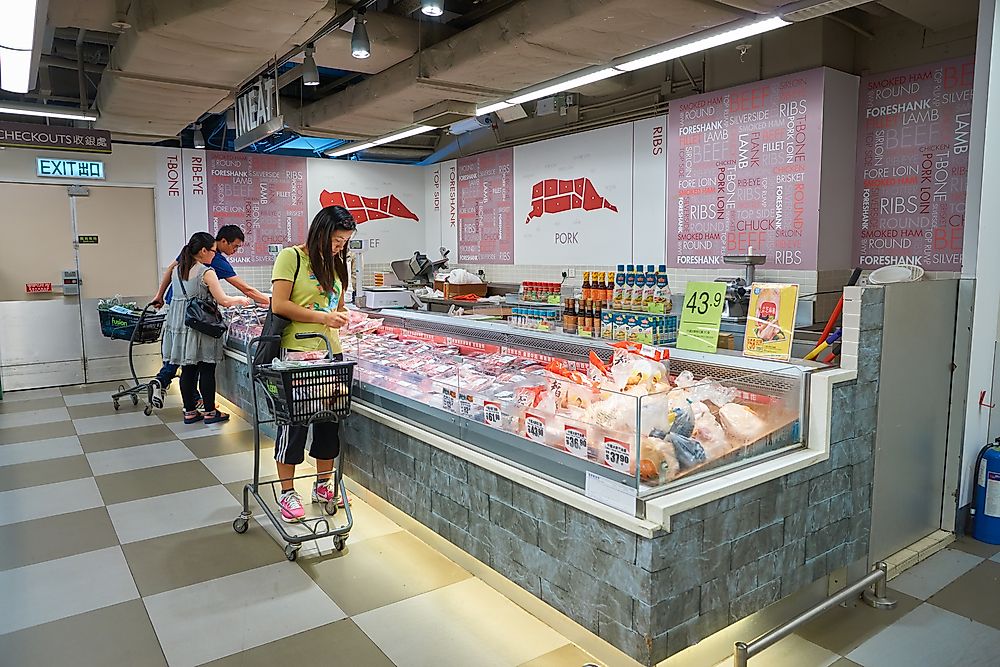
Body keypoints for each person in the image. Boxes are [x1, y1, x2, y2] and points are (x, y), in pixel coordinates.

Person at [270, 206, 355, 522]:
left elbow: (338, 306)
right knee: (293, 425)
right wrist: (322, 317)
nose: (339, 248)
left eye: (344, 242)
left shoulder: (335, 265)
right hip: (297, 357)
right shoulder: (291, 258)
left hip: (332, 356)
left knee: (328, 423)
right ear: (320, 232)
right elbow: (279, 304)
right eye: (336, 241)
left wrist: (349, 318)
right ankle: (287, 492)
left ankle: (322, 484)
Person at [150, 225, 268, 408]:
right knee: (196, 361)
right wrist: (271, 302)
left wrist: (159, 295)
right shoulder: (212, 263)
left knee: (184, 358)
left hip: (176, 309)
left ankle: (184, 399)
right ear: (221, 242)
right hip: (194, 315)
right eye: (234, 246)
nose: (235, 251)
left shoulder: (189, 254)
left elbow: (170, 271)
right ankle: (199, 403)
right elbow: (241, 291)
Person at [160, 232, 252, 425]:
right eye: (213, 251)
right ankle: (210, 412)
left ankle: (190, 412)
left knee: (188, 370)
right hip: (202, 328)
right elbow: (223, 300)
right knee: (207, 370)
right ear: (203, 251)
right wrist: (241, 300)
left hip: (181, 326)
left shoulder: (178, 270)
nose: (214, 255)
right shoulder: (206, 272)